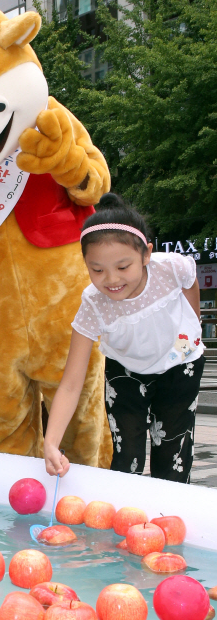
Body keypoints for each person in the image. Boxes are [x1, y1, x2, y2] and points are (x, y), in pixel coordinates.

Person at [44, 193, 203, 483]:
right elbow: (71, 382)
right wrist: (51, 443)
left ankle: (169, 515)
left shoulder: (170, 267)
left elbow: (190, 282)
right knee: (126, 453)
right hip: (126, 371)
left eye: (123, 267)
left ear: (146, 254)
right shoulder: (93, 304)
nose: (112, 280)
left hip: (181, 361)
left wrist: (194, 323)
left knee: (173, 450)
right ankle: (125, 515)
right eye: (97, 270)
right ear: (86, 264)